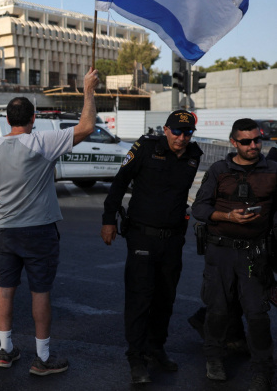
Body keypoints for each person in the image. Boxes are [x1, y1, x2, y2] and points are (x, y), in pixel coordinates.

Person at [0, 68, 98, 376]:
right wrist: (88, 89)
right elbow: (87, 126)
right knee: (40, 292)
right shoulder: (42, 142)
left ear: (8, 119)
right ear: (33, 119)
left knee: (5, 289)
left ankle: (5, 350)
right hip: (38, 231)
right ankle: (42, 358)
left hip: (3, 231)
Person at [101, 110, 203, 384]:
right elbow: (120, 183)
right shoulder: (145, 148)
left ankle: (156, 348)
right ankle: (136, 358)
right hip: (142, 236)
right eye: (177, 131)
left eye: (187, 132)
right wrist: (108, 220)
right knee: (140, 298)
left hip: (173, 239)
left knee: (165, 298)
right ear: (166, 130)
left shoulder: (194, 156)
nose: (182, 138)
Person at [191, 118, 277, 391]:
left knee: (257, 315)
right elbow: (199, 208)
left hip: (255, 254)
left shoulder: (273, 170)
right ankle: (214, 359)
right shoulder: (219, 170)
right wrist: (227, 216)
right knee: (218, 310)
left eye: (257, 140)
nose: (253, 145)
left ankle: (263, 372)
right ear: (233, 142)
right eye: (246, 141)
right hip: (220, 252)